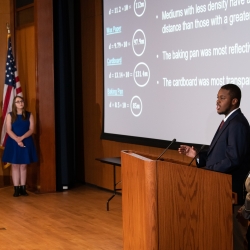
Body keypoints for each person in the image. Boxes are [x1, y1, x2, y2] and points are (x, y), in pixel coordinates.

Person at [178, 83, 250, 250]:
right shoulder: (228, 121)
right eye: (217, 97)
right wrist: (197, 156)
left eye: (222, 98)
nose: (217, 101)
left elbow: (233, 159)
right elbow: (219, 154)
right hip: (220, 190)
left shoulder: (237, 123)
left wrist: (207, 172)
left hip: (231, 192)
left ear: (234, 101)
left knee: (236, 240)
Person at [2, 96, 38, 197]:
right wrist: (17, 139)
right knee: (15, 165)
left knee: (23, 165)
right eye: (18, 102)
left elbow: (31, 129)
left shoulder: (29, 115)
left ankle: (23, 188)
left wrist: (22, 138)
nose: (20, 103)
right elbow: (8, 130)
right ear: (14, 104)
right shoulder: (10, 115)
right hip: (13, 142)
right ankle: (16, 189)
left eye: (21, 101)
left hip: (26, 141)